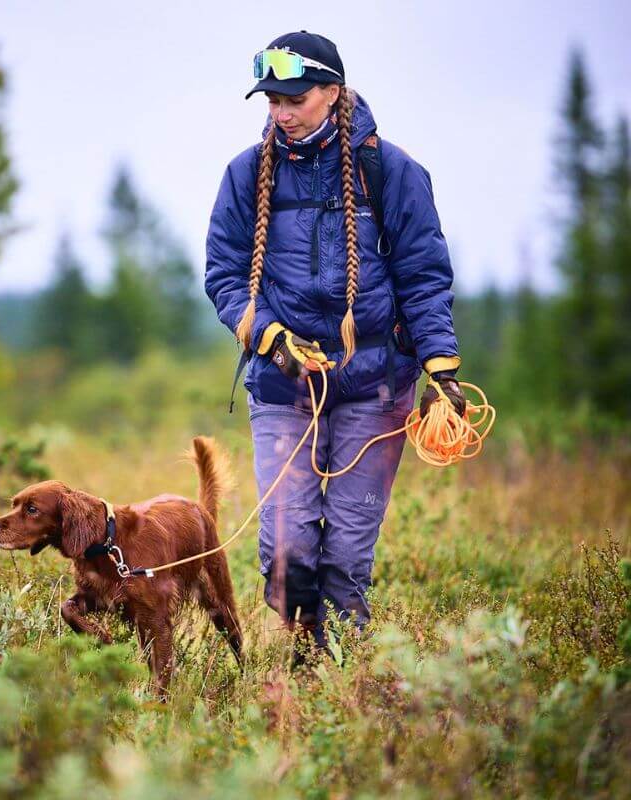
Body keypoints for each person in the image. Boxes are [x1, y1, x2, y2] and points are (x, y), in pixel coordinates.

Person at [204, 31, 465, 650]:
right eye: (271, 101)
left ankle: (337, 677)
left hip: (377, 387)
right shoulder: (246, 175)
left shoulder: (393, 171)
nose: (281, 113)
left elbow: (424, 278)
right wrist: (271, 340)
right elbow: (224, 276)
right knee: (286, 546)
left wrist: (443, 369)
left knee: (347, 552)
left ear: (332, 92)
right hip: (281, 384)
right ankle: (300, 651)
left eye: (293, 99)